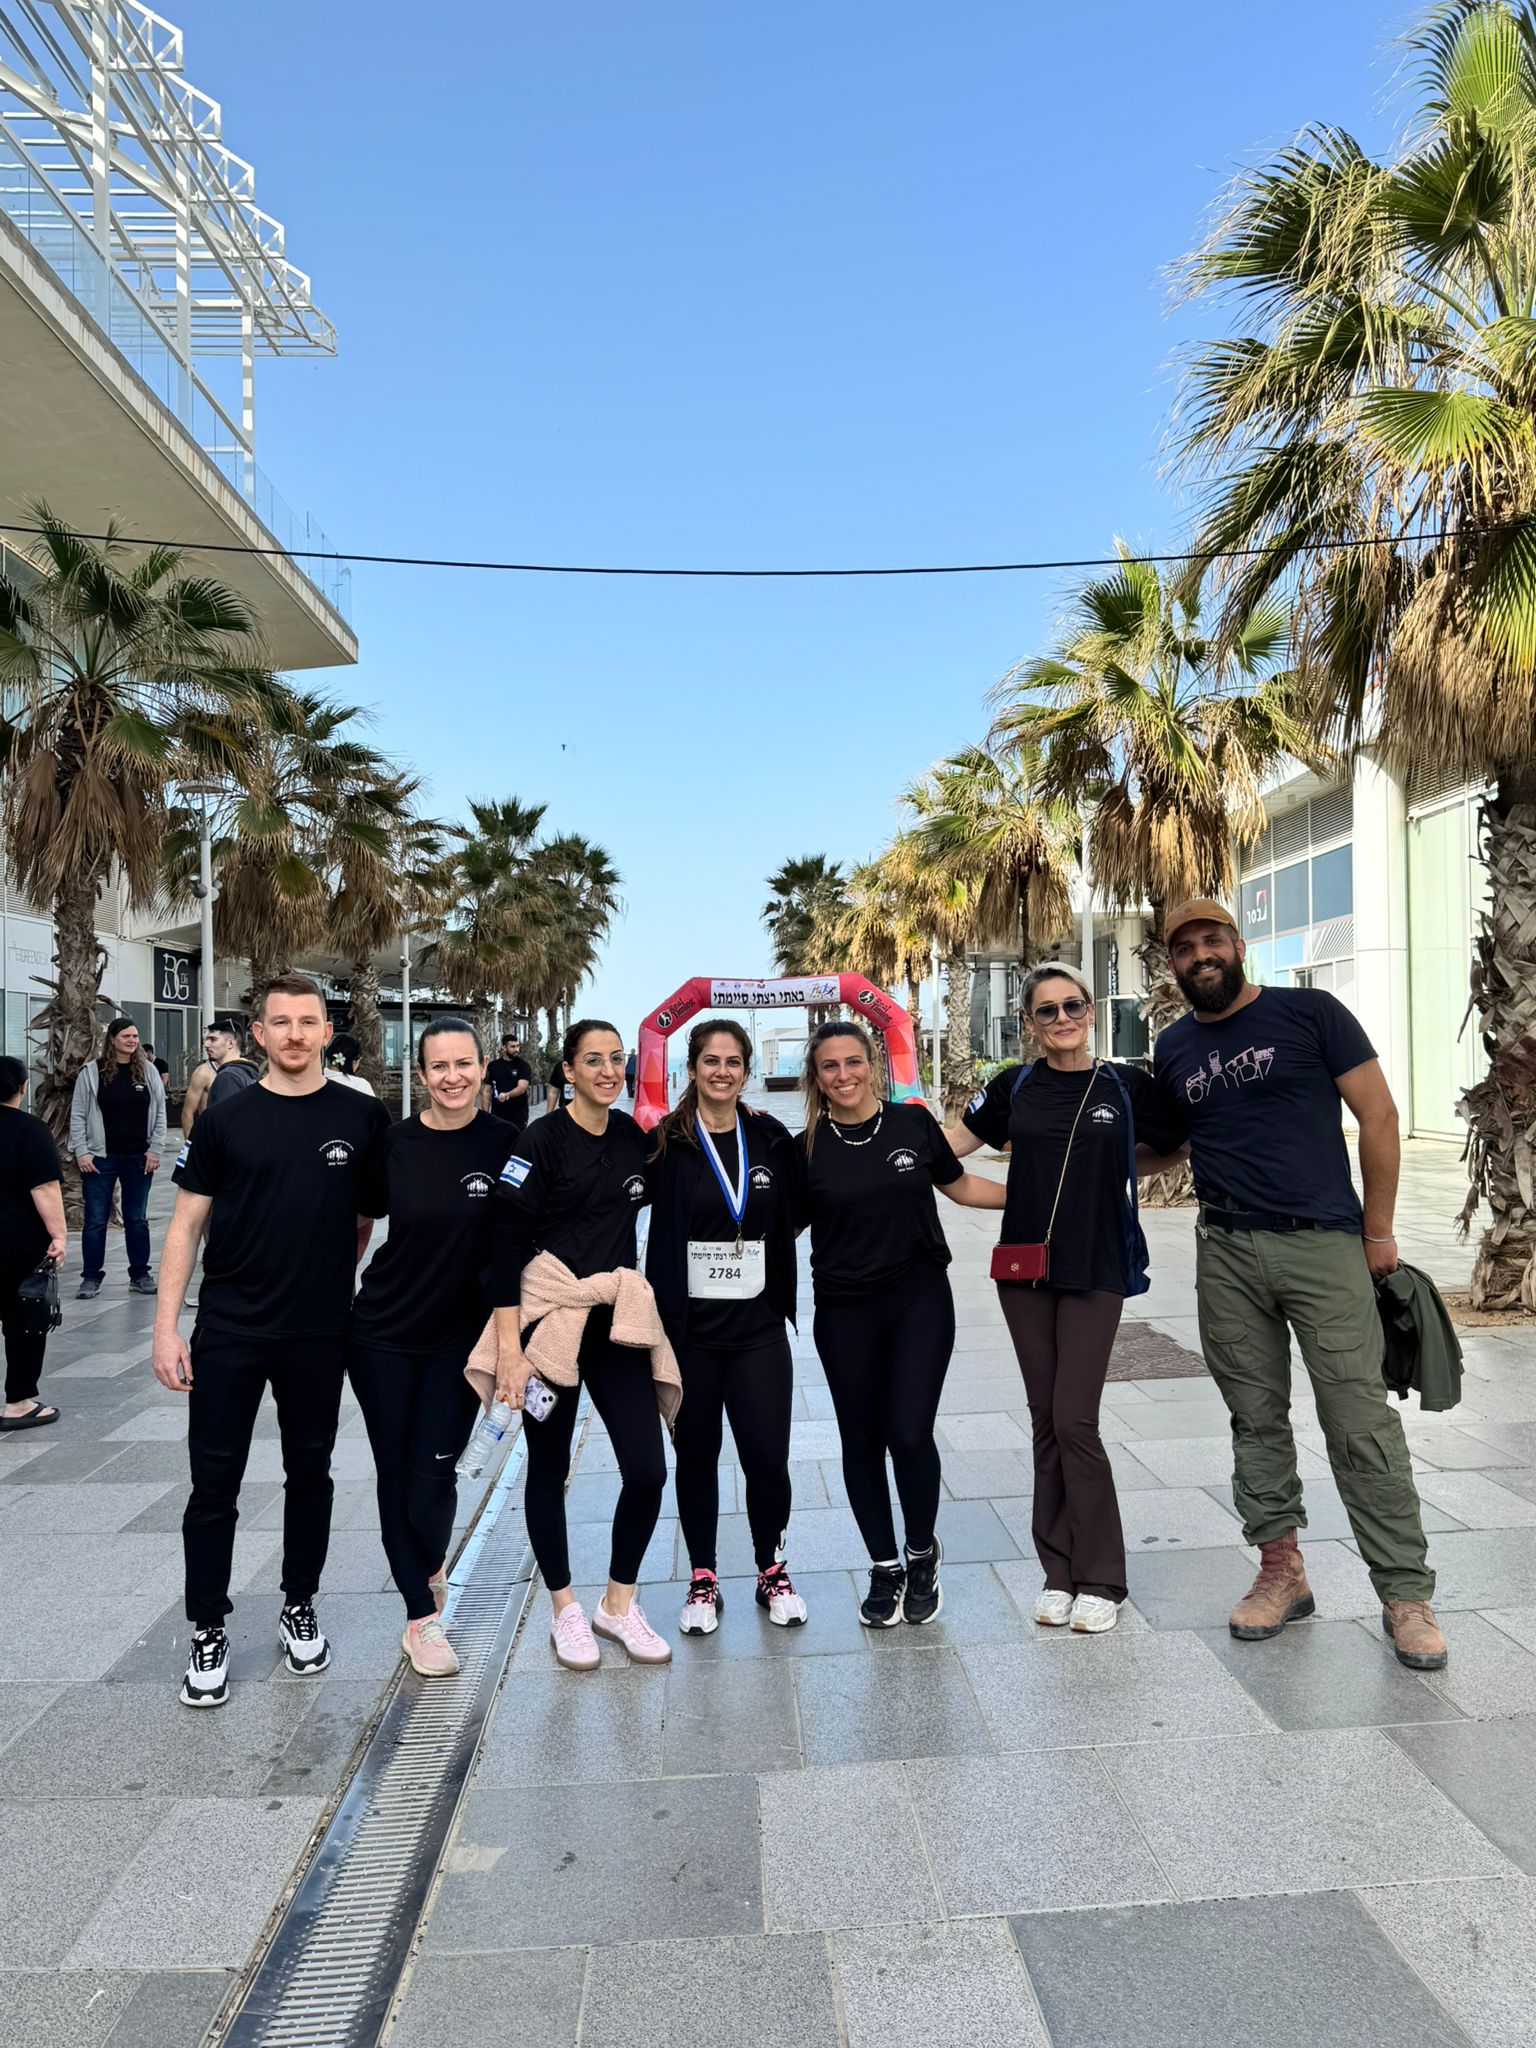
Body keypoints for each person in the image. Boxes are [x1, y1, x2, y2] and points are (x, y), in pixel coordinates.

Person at [1153, 899, 1447, 1672]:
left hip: (1323, 1245)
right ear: (1172, 964)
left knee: (1360, 1422)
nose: (1200, 955)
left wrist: (1378, 1232)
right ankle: (1281, 1571)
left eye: (1212, 940)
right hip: (1225, 1250)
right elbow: (1173, 1144)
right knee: (1255, 1421)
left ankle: (1405, 1594)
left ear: (1238, 945)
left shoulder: (1312, 1014)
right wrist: (1076, 1152)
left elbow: (1379, 1115)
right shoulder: (1173, 1046)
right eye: (1184, 948)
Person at [152, 972, 390, 1709]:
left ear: (327, 1032)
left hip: (318, 1332)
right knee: (213, 1485)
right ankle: (208, 1628)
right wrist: (165, 1328)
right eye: (280, 1022)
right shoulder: (225, 1119)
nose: (294, 1034)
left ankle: (299, 1604)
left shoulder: (361, 1117)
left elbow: (364, 1220)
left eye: (307, 1021)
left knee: (310, 1474)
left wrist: (329, 1279)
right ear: (258, 1033)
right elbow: (186, 1225)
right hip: (229, 1329)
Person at [949, 965, 1187, 1633]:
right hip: (1024, 1269)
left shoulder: (1125, 1085)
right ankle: (1058, 1572)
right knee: (1046, 1417)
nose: (1062, 1019)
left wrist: (1118, 1172)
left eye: (1072, 1006)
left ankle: (1103, 1579)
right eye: (1047, 1010)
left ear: (1090, 1012)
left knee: (1075, 1418)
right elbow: (949, 1151)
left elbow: (1177, 1143)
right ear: (1029, 1022)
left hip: (1097, 1265)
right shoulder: (1014, 1087)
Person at [796, 1019, 1004, 1627]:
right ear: (817, 1077)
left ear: (873, 1065)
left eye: (853, 1062)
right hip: (843, 1310)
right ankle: (884, 1566)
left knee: (909, 1432)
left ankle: (920, 1554)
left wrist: (1040, 1198)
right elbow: (775, 1224)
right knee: (860, 1440)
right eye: (830, 1066)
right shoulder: (804, 1148)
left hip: (918, 1299)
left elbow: (960, 1186)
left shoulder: (912, 1124)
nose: (844, 1075)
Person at [488, 1018, 677, 1671]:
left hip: (614, 1324)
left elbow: (686, 1173)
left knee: (648, 1470)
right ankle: (564, 1608)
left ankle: (618, 1605)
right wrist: (509, 1349)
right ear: (567, 1071)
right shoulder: (538, 1142)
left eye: (616, 1059)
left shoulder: (632, 1138)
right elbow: (503, 1245)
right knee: (548, 1469)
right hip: (549, 1325)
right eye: (592, 1060)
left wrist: (743, 1120)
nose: (607, 1070)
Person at [350, 1020, 517, 1676]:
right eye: (438, 1066)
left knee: (433, 1477)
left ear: (483, 1067)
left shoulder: (508, 1143)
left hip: (460, 1344)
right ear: (420, 1075)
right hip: (381, 1335)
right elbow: (358, 1221)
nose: (452, 1077)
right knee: (395, 1473)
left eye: (463, 1064)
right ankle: (421, 1618)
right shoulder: (394, 1144)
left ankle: (430, 1565)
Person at [646, 1018, 806, 1634]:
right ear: (692, 1069)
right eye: (710, 1061)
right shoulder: (665, 1143)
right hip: (689, 1335)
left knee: (767, 1457)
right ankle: (703, 1577)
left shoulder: (768, 1137)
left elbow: (801, 1208)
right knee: (696, 1456)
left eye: (733, 1062)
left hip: (758, 1330)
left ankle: (772, 1568)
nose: (721, 1071)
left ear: (746, 1070)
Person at [69, 1016, 166, 1299]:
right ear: (112, 1039)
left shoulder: (147, 1071)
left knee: (137, 1219)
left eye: (135, 1036)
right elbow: (78, 1114)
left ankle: (140, 1275)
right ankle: (91, 1278)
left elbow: (160, 1112)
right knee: (95, 1221)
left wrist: (155, 1148)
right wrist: (82, 1151)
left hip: (139, 1158)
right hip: (101, 1159)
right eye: (126, 1036)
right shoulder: (92, 1072)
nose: (132, 1041)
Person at [0, 1055, 67, 1432]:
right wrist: (59, 1236)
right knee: (22, 1322)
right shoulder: (30, 1130)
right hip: (18, 1244)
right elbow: (44, 1187)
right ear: (23, 1088)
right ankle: (18, 1402)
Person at [178, 1022, 234, 1141]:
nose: (206, 1045)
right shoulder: (203, 1072)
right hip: (211, 1139)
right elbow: (187, 1113)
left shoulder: (243, 1070)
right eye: (206, 1040)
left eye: (213, 1040)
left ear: (230, 1043)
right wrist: (190, 1147)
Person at [485, 1033, 533, 1127]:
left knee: (516, 1136)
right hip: (497, 1114)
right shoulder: (493, 1066)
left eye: (518, 1046)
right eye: (513, 1047)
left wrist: (508, 1095)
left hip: (518, 1114)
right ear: (504, 1047)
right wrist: (485, 1114)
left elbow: (522, 1088)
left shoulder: (523, 1066)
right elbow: (487, 1091)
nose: (517, 1049)